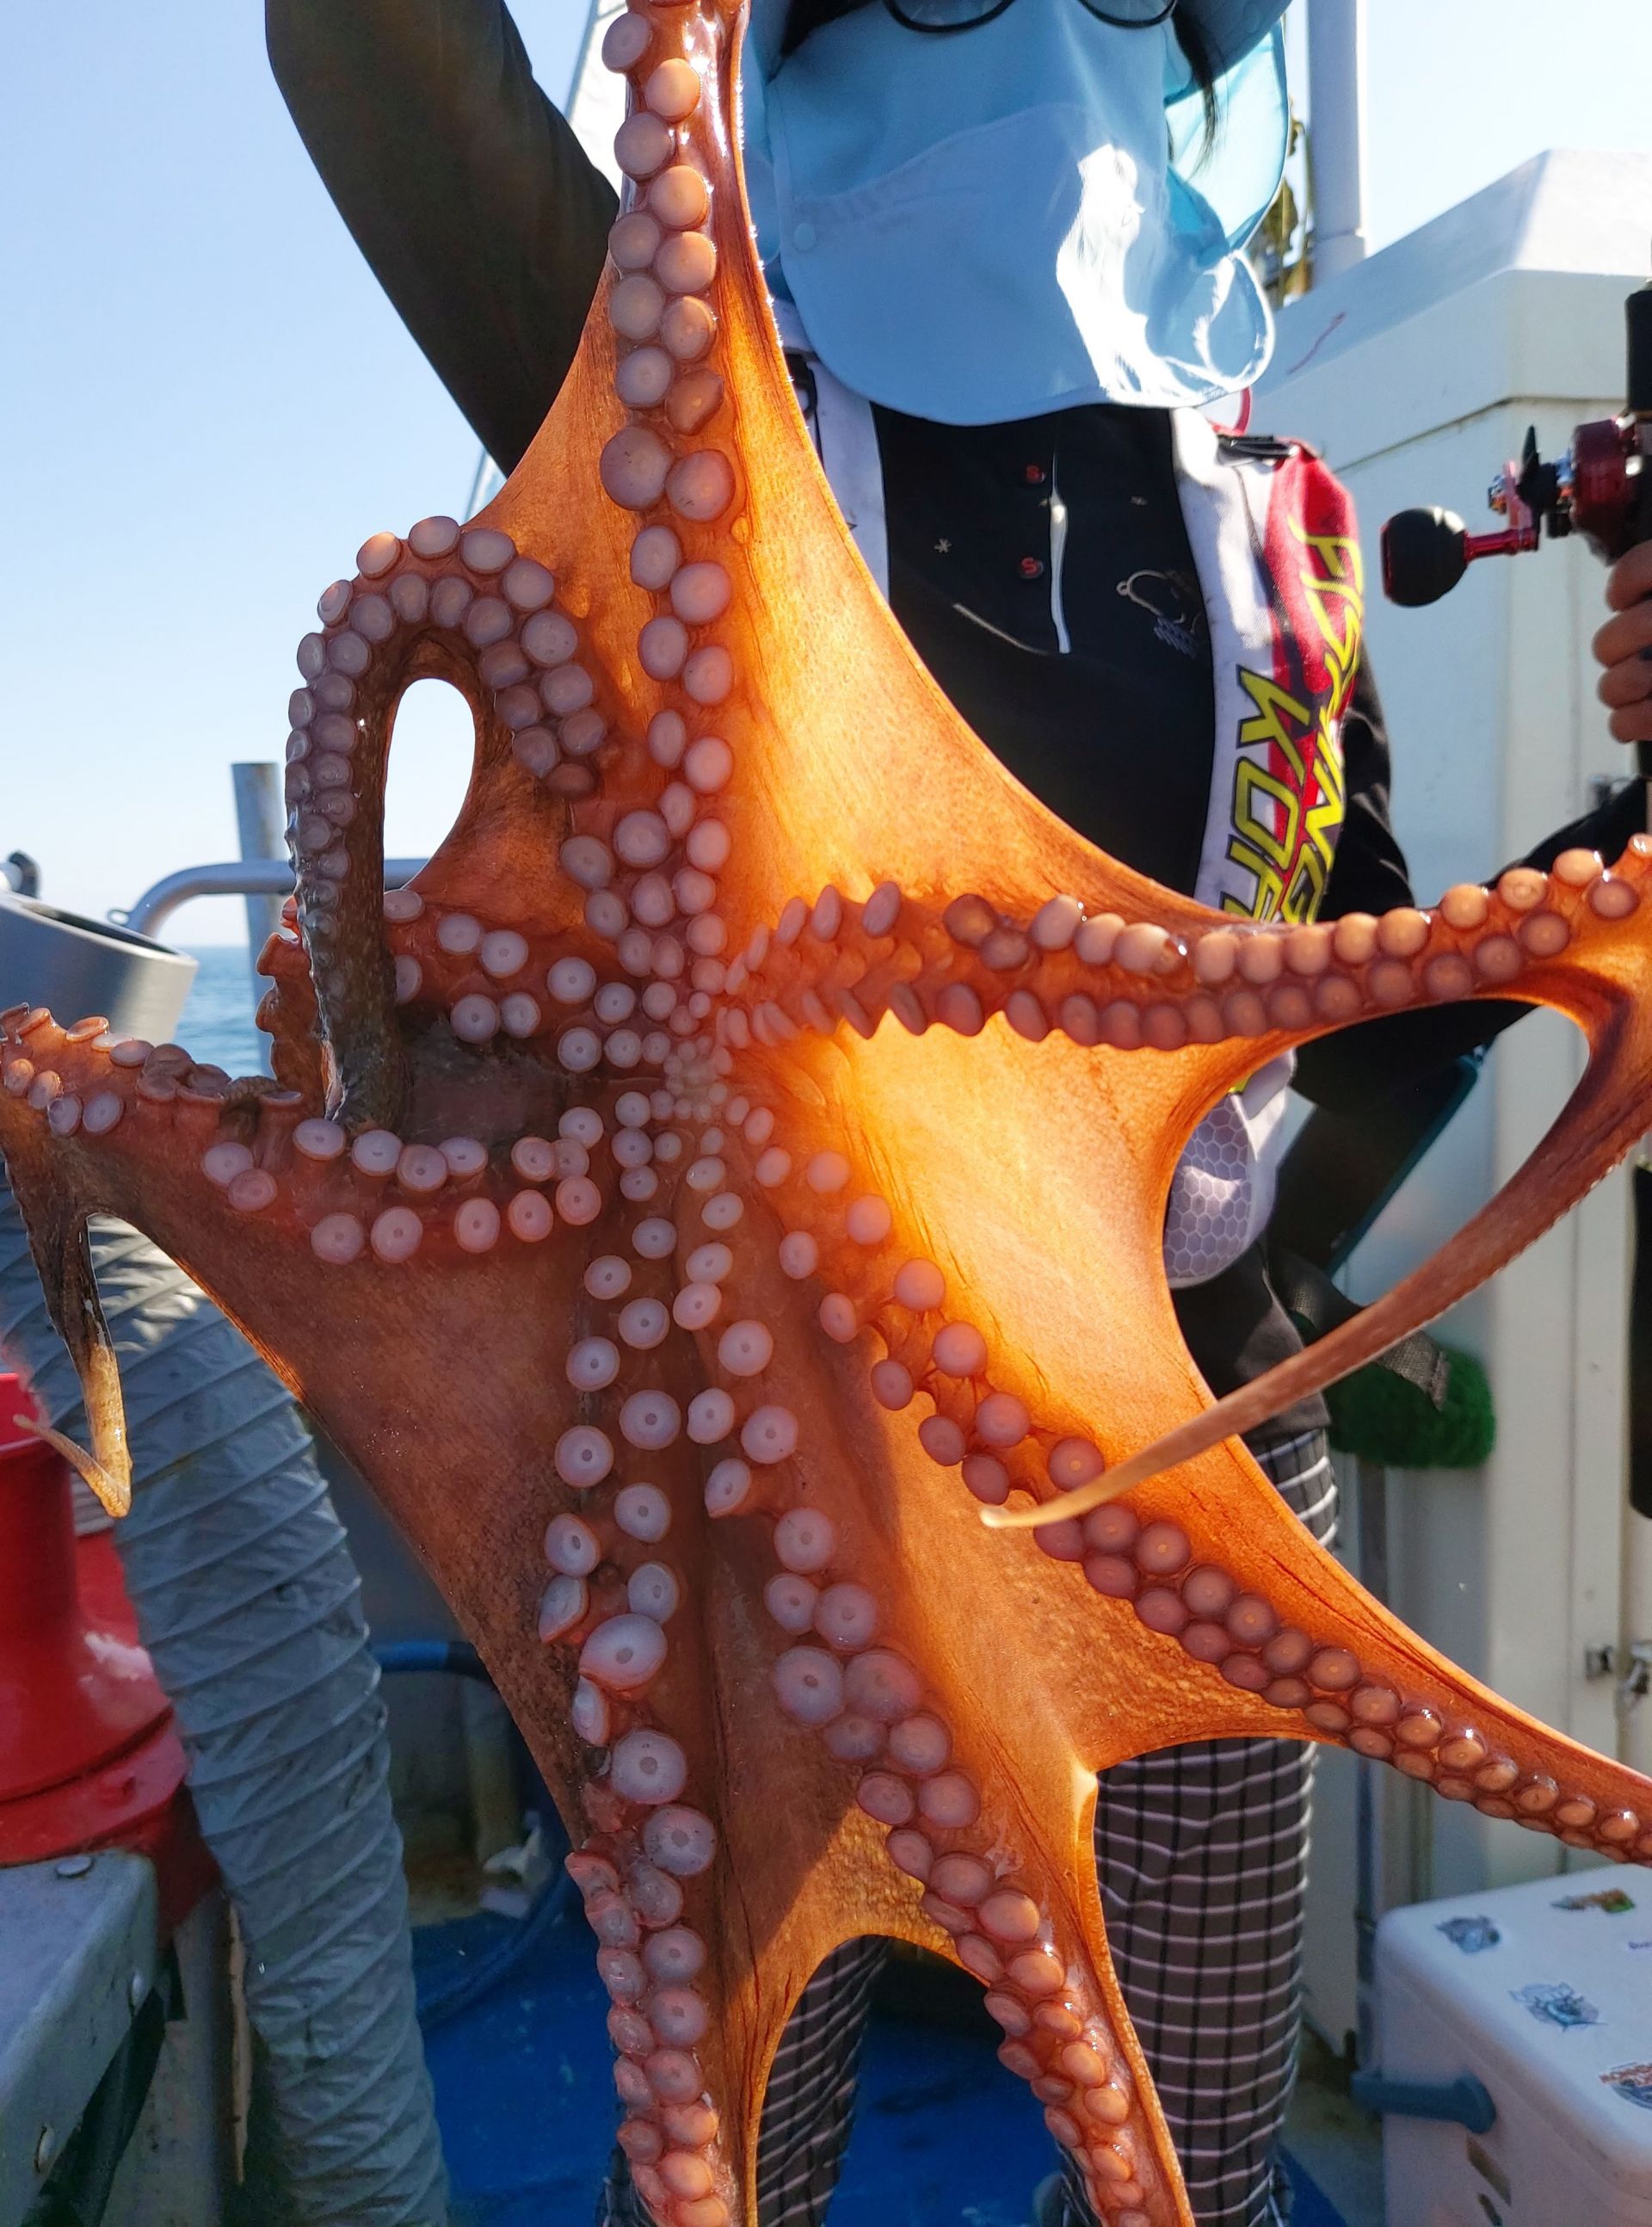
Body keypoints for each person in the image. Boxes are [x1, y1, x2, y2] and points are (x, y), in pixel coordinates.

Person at [265, 3, 1652, 2221]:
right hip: (787, 1460)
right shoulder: (695, 420)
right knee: (734, 2141)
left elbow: (1379, 988)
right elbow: (372, 50)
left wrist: (1288, 1291)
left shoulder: (1278, 524)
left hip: (1200, 1449)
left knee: (1183, 2149)